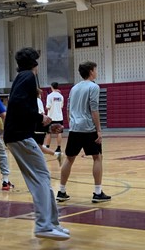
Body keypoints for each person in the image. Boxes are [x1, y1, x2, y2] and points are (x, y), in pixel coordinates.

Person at [3, 47, 70, 241]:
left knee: (43, 178)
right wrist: (40, 117)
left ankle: (52, 223)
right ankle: (43, 225)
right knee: (41, 178)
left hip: (20, 134)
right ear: (35, 63)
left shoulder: (22, 77)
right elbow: (16, 104)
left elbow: (20, 110)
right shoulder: (28, 77)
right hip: (19, 136)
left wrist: (45, 127)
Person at [56, 61, 111, 203]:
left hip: (75, 128)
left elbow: (68, 108)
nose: (96, 72)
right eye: (96, 69)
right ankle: (98, 192)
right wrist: (99, 130)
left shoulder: (74, 88)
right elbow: (94, 109)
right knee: (97, 157)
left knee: (69, 158)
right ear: (91, 71)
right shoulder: (94, 87)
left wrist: (72, 123)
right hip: (88, 128)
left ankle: (61, 191)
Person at [35, 88, 63, 166]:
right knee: (38, 147)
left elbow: (41, 113)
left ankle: (41, 162)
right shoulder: (36, 100)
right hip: (39, 125)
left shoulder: (36, 101)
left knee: (37, 147)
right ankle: (57, 154)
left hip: (39, 126)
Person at [44, 82, 64, 153]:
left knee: (48, 133)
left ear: (51, 87)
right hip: (59, 117)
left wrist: (46, 107)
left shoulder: (49, 96)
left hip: (51, 118)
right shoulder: (61, 96)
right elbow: (61, 106)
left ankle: (47, 147)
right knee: (59, 133)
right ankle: (58, 148)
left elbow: (48, 107)